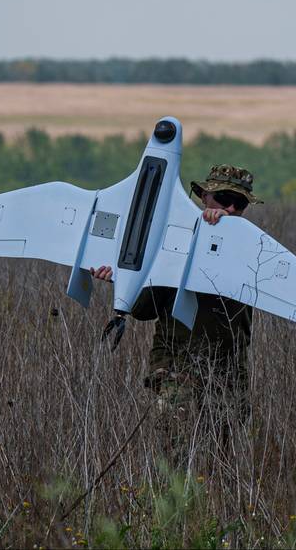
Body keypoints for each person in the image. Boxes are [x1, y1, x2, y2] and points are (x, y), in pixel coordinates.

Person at [91, 164, 262, 449]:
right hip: (175, 365)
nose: (230, 209)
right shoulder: (177, 239)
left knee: (221, 455)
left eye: (239, 203)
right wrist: (121, 283)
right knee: (176, 451)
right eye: (222, 199)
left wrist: (218, 239)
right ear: (203, 199)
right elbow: (144, 309)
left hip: (227, 371)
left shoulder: (253, 248)